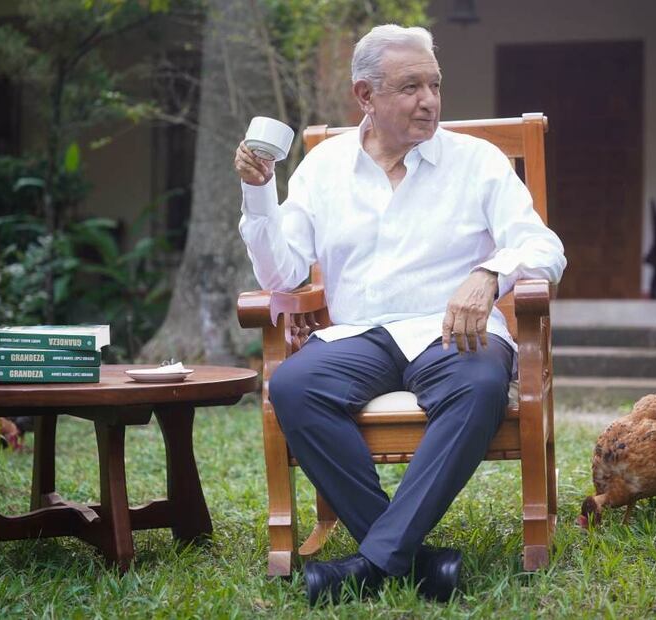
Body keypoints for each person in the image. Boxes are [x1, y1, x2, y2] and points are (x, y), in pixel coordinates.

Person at [234, 24, 566, 604]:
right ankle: (411, 562)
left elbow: (545, 247)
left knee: (480, 384)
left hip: (452, 332)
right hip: (358, 335)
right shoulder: (324, 167)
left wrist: (489, 275)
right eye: (411, 87)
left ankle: (372, 564)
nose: (429, 100)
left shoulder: (477, 161)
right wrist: (259, 194)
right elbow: (281, 276)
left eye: (434, 85)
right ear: (365, 95)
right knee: (292, 385)